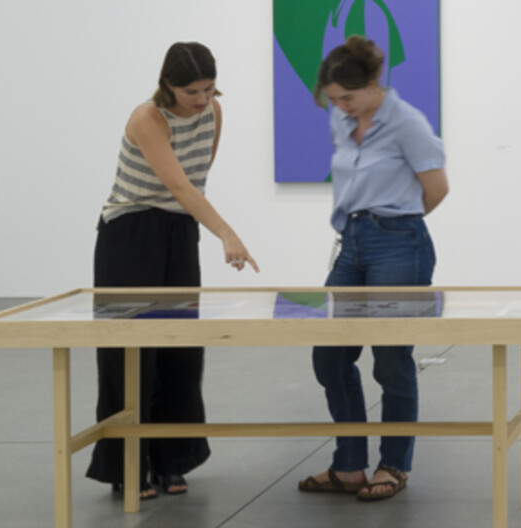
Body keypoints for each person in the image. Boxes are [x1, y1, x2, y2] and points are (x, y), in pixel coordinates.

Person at [89, 41, 258, 499]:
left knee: (181, 347)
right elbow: (179, 184)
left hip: (179, 230)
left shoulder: (213, 112)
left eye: (209, 89)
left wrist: (202, 227)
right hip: (130, 232)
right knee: (130, 352)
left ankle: (171, 460)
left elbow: (198, 174)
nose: (202, 100)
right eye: (191, 91)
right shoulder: (147, 118)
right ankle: (127, 466)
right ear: (167, 84)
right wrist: (227, 233)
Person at [295, 37, 449, 503]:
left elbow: (437, 188)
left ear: (373, 85)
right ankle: (349, 467)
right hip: (352, 242)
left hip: (399, 242)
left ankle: (394, 464)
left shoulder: (407, 123)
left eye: (347, 97)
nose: (340, 107)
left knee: (390, 356)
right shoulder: (342, 122)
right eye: (333, 99)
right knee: (330, 355)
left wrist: (396, 222)